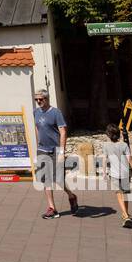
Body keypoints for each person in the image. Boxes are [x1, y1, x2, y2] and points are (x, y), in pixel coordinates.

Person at [33, 89, 79, 219]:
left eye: (40, 99)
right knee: (46, 179)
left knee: (58, 179)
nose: (38, 102)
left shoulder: (56, 113)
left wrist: (61, 152)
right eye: (36, 99)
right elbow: (37, 127)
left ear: (47, 99)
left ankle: (71, 196)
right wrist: (38, 145)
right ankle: (52, 208)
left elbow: (63, 132)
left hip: (55, 150)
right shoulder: (35, 112)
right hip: (42, 149)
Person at [102, 122, 132, 228]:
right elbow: (130, 159)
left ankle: (125, 216)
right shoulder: (124, 145)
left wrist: (104, 172)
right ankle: (126, 213)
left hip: (114, 174)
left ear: (108, 134)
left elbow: (104, 159)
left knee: (119, 194)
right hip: (125, 173)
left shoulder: (106, 146)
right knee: (125, 194)